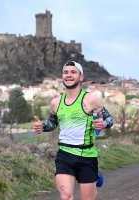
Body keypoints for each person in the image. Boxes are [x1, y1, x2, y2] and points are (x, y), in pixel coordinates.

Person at [34, 61, 114, 200]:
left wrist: (104, 124)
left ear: (81, 77)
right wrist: (43, 127)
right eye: (66, 72)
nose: (69, 75)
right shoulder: (56, 102)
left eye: (73, 72)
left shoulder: (91, 100)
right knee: (65, 196)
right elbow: (52, 123)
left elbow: (110, 119)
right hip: (64, 155)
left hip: (87, 156)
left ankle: (94, 177)